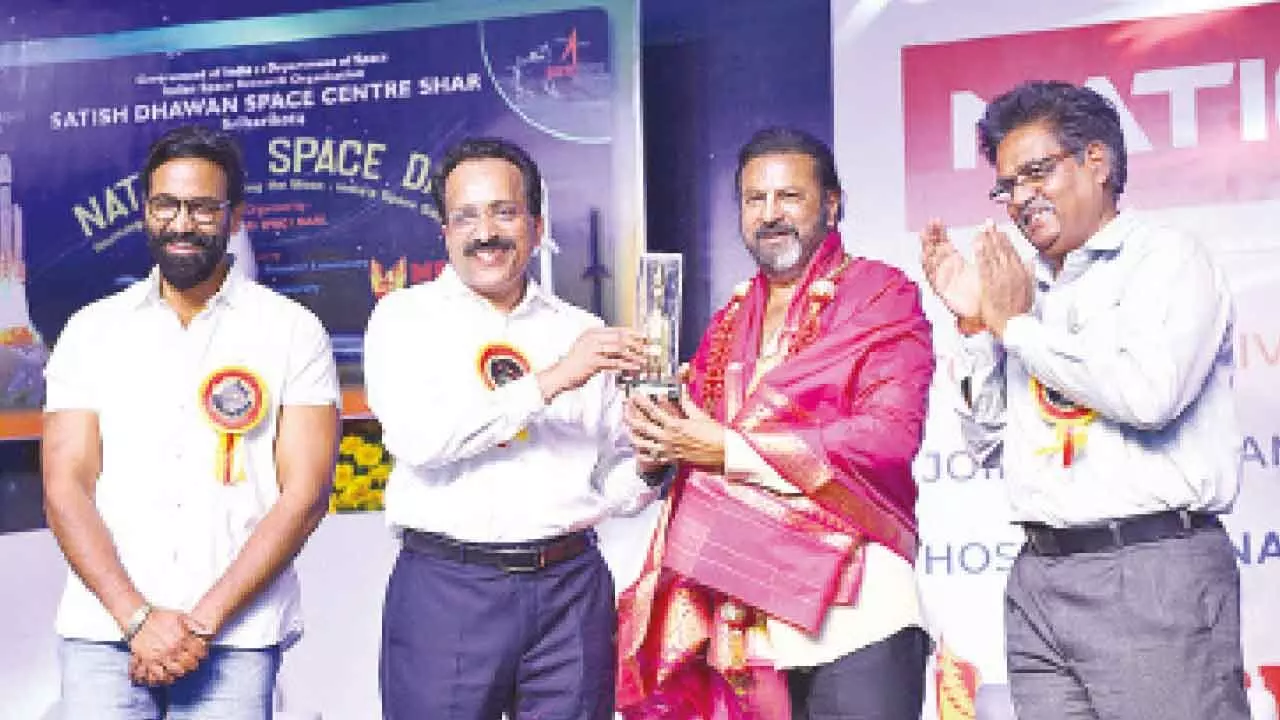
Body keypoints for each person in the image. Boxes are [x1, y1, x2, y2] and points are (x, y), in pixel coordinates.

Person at [919, 80, 1247, 720]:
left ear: (1097, 161)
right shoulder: (1027, 287)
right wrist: (974, 326)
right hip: (1040, 578)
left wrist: (1013, 326)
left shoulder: (1169, 261)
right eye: (1007, 185)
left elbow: (1148, 396)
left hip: (1149, 571)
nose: (1020, 198)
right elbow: (988, 441)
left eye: (1037, 172)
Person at [618, 127, 935, 719]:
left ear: (833, 204)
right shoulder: (730, 319)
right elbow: (695, 443)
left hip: (856, 614)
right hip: (744, 617)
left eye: (789, 197)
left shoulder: (881, 296)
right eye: (754, 199)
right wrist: (658, 439)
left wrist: (729, 449)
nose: (770, 215)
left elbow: (890, 437)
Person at [42, 124, 340, 718]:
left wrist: (199, 625)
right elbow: (64, 486)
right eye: (167, 205)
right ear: (145, 210)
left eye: (204, 208)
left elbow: (304, 495)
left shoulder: (291, 331)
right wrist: (138, 617)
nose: (182, 224)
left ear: (234, 218)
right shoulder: (91, 331)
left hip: (235, 637)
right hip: (103, 631)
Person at [363, 136, 667, 720]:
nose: (486, 234)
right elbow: (421, 440)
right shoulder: (405, 319)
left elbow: (612, 483)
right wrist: (554, 378)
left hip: (571, 590)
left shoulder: (580, 328)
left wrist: (652, 462)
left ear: (536, 222)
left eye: (504, 212)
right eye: (466, 217)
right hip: (448, 589)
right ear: (445, 231)